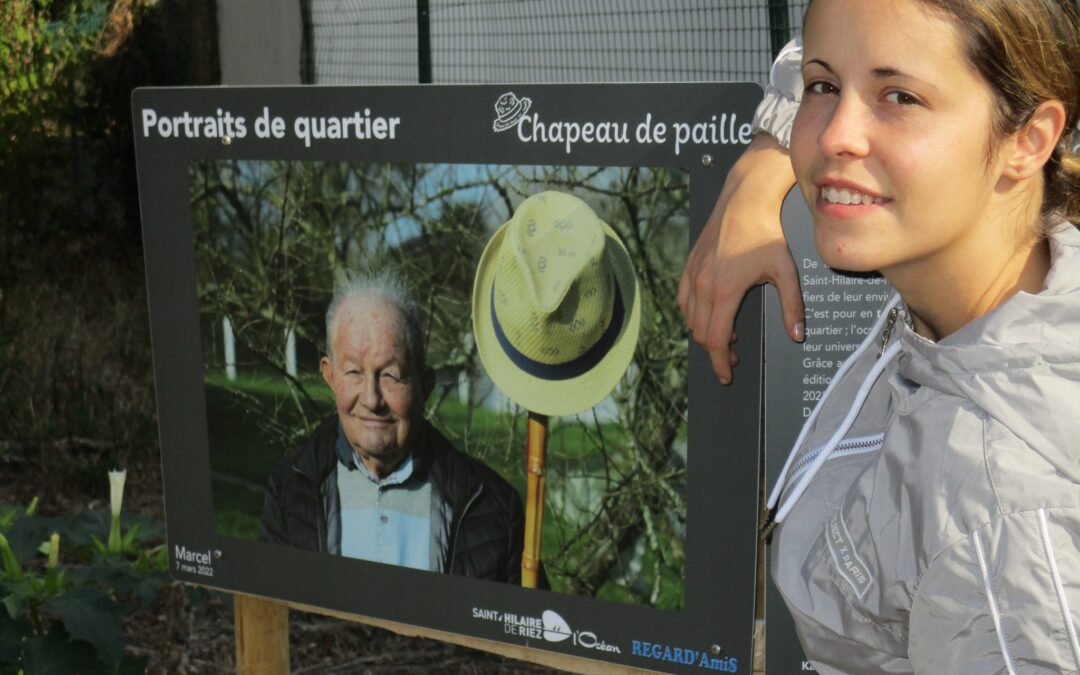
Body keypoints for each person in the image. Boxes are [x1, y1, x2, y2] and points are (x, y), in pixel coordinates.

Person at [684, 0, 1080, 672]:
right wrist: (760, 166)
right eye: (825, 87)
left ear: (1030, 140)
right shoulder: (982, 304)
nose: (838, 134)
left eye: (899, 96)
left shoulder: (997, 523)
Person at [260, 272, 528, 584]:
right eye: (354, 372)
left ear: (425, 386)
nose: (372, 399)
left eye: (391, 375)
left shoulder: (491, 506)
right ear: (329, 376)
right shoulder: (289, 492)